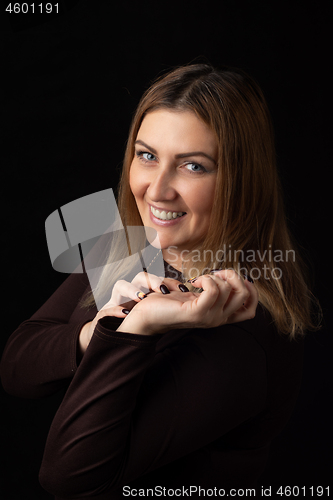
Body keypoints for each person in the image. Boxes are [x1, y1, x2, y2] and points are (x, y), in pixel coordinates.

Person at [0, 63, 320, 499]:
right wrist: (98, 329)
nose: (157, 190)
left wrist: (136, 327)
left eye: (193, 166)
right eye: (147, 155)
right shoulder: (134, 244)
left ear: (242, 182)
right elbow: (18, 365)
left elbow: (69, 477)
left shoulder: (244, 323)